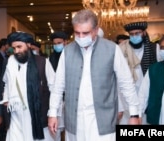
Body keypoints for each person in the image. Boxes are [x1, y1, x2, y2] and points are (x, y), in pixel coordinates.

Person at [48, 9, 140, 141]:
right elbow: (58, 86)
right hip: (75, 119)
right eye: (77, 33)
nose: (80, 37)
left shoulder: (112, 49)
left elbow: (125, 83)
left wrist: (134, 115)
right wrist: (53, 113)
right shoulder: (67, 51)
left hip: (103, 120)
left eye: (85, 33)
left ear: (96, 30)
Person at [0, 31, 56, 141]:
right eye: (14, 48)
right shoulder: (10, 62)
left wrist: (52, 113)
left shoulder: (43, 62)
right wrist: (6, 98)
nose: (16, 51)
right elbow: (6, 83)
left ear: (29, 45)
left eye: (19, 47)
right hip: (16, 114)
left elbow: (54, 89)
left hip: (37, 115)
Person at [118, 21, 157, 124]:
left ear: (144, 33)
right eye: (131, 34)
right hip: (127, 95)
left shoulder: (154, 48)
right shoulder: (122, 49)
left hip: (147, 93)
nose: (134, 36)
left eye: (137, 33)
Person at [49, 31, 68, 141]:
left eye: (59, 43)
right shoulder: (52, 57)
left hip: (70, 94)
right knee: (58, 126)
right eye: (55, 44)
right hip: (58, 95)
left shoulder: (70, 55)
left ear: (66, 42)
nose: (57, 46)